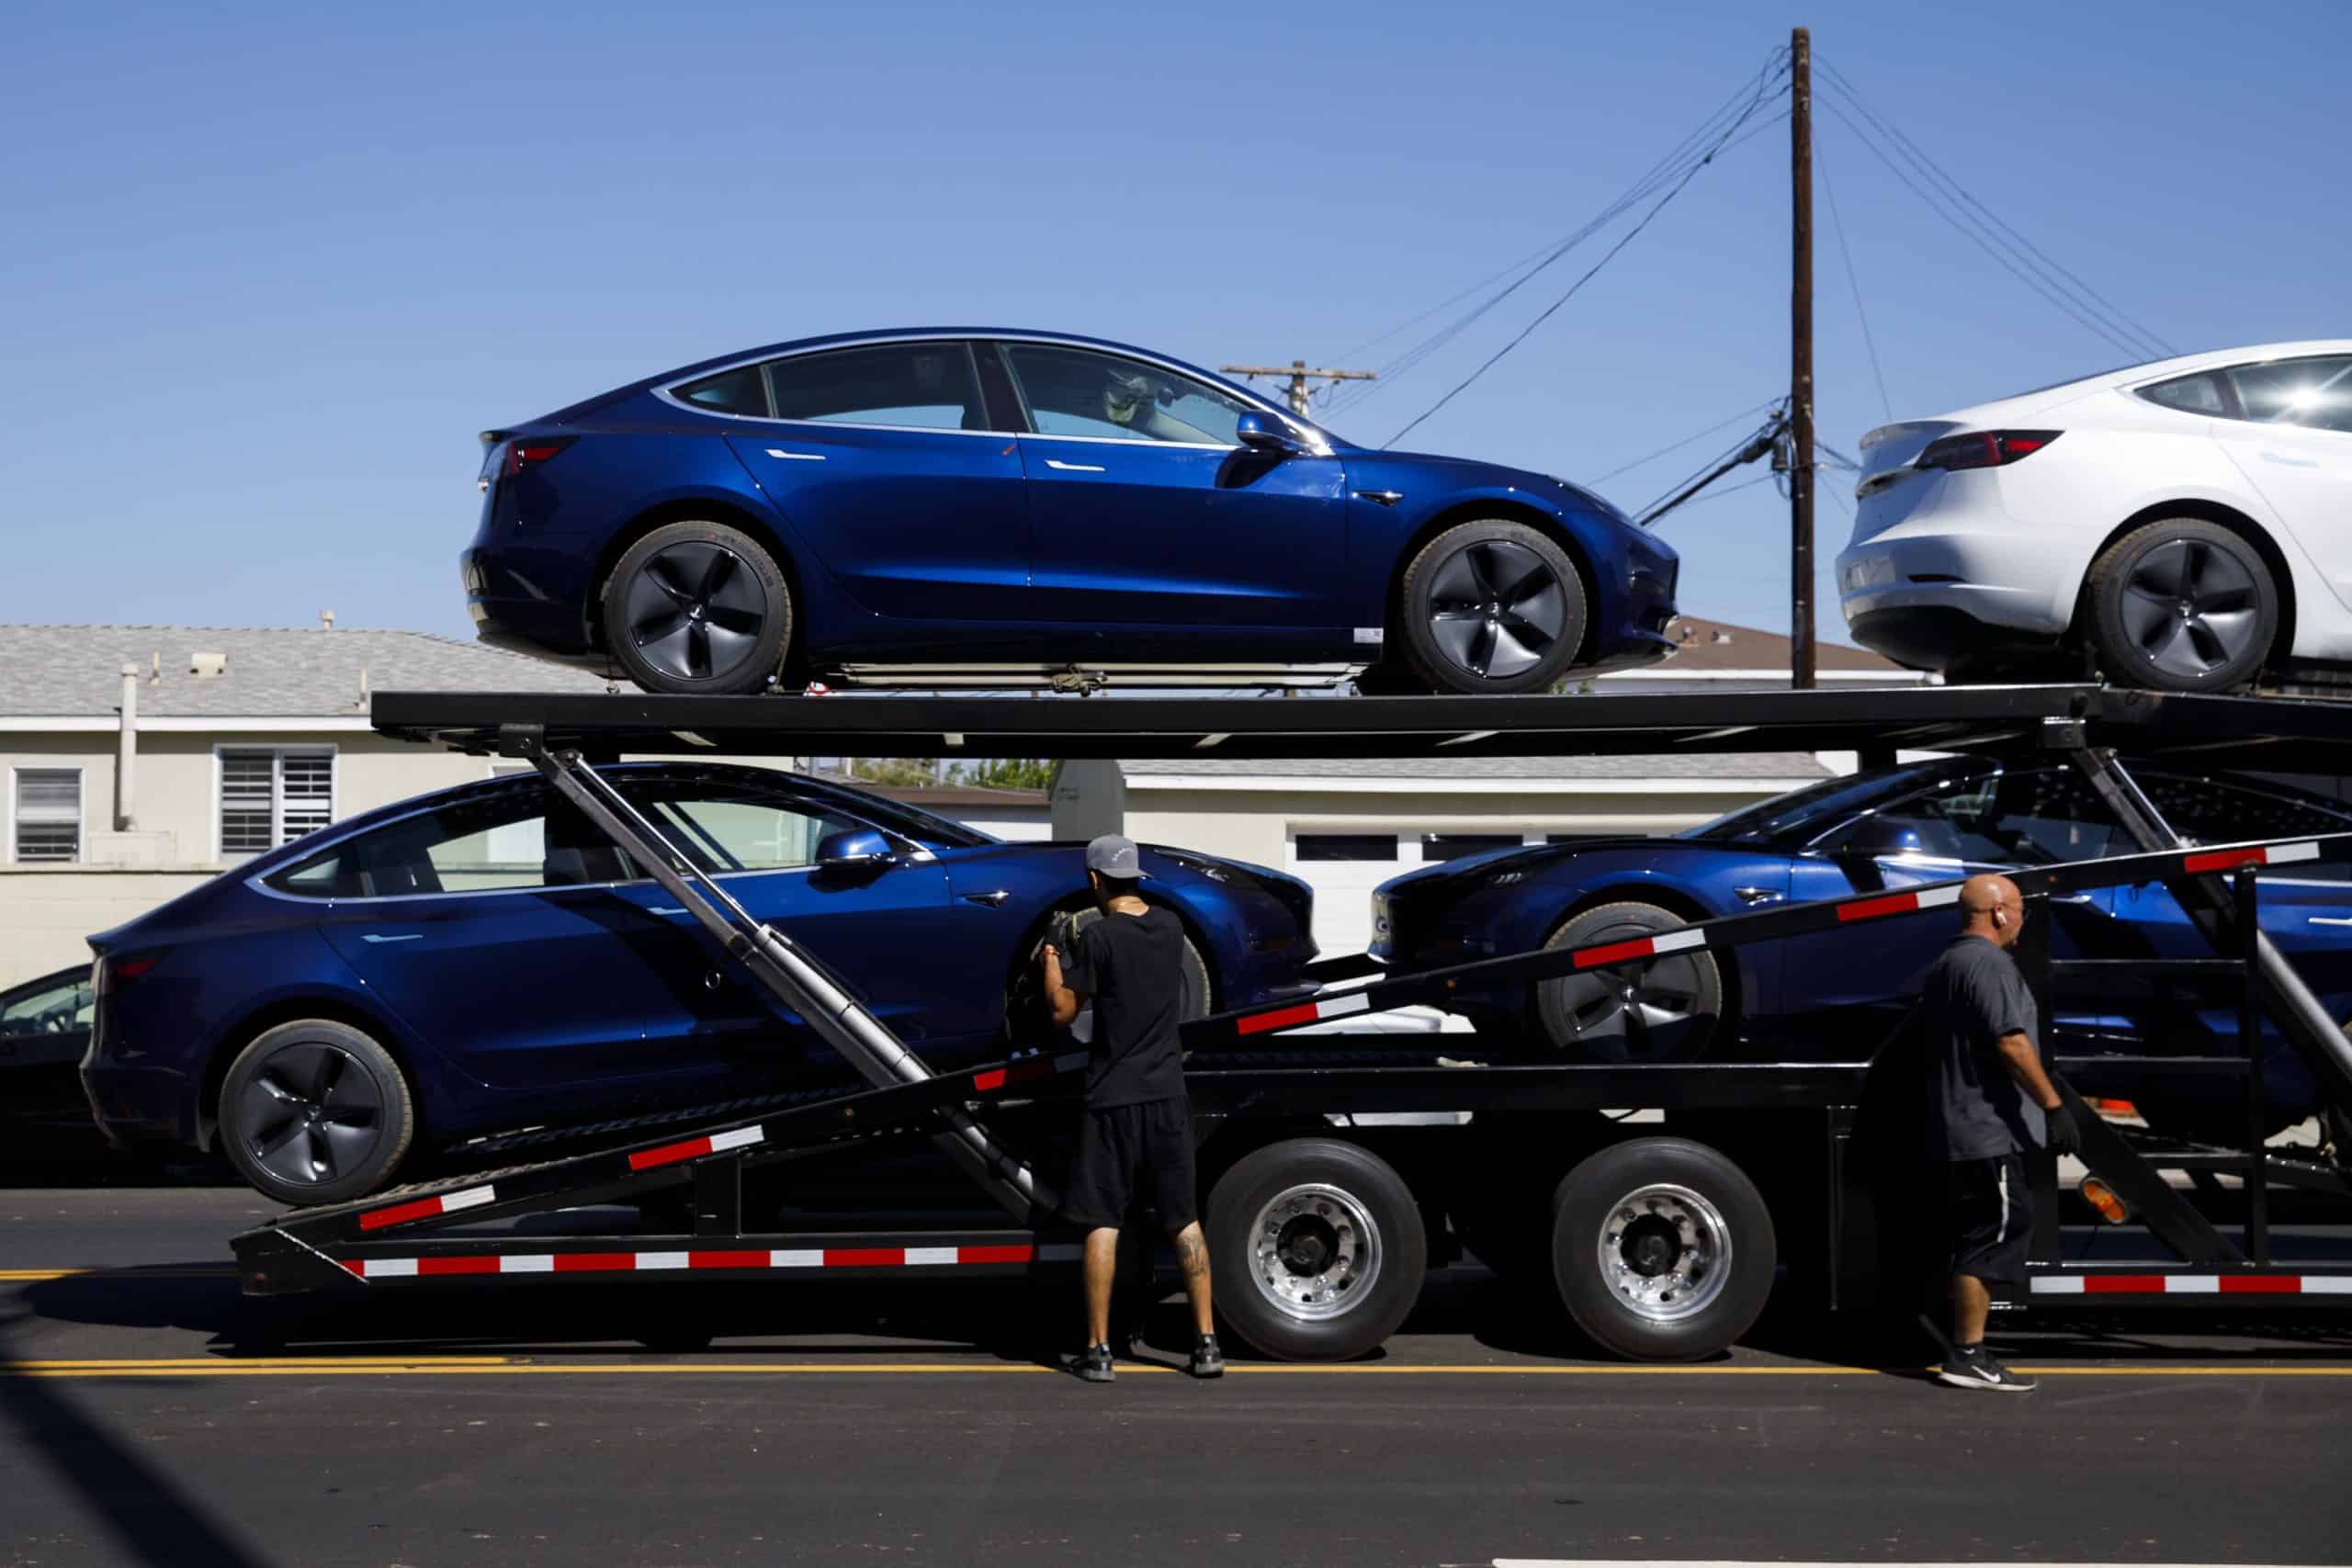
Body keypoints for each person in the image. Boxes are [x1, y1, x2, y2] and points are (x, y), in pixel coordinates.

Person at [1040, 833, 1223, 1383]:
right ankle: (1207, 1345)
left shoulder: (1097, 938)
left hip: (1112, 1099)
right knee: (1183, 1221)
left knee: (1103, 1222)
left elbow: (1062, 1011)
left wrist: (1053, 955)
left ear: (1095, 881)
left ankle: (1098, 1351)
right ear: (1135, 878)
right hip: (1167, 1096)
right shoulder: (1170, 929)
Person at [1920, 872, 2081, 1393]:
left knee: (1979, 1234)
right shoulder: (1987, 963)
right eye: (2019, 910)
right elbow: (2010, 1044)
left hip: (1960, 1125)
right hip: (1985, 1130)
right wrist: (2054, 1106)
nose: (2021, 921)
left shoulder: (1949, 961)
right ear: (2000, 913)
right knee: (1996, 1234)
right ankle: (1968, 1354)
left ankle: (1964, 1347)